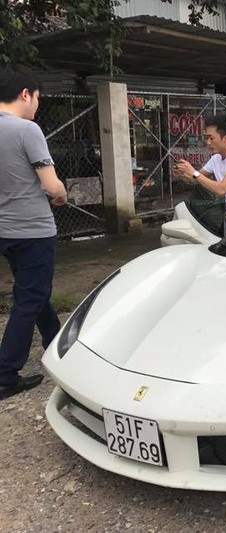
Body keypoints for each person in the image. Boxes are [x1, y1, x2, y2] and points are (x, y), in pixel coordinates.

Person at [0, 65, 68, 400]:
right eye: (37, 98)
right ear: (25, 94)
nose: (37, 105)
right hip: (32, 229)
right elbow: (51, 185)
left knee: (33, 290)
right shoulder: (27, 130)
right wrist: (62, 192)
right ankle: (5, 372)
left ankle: (57, 341)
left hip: (5, 231)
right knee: (29, 298)